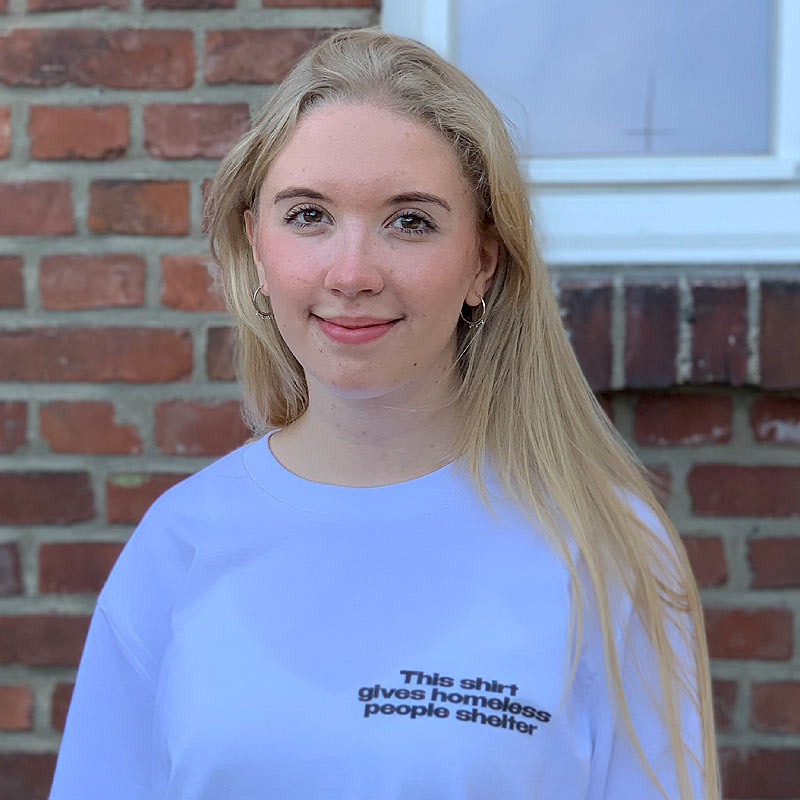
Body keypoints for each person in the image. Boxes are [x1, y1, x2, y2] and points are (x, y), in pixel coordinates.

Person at [49, 28, 719, 800]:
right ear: (257, 248)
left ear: (483, 262)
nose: (352, 273)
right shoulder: (178, 544)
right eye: (309, 215)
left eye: (410, 222)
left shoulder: (603, 548)